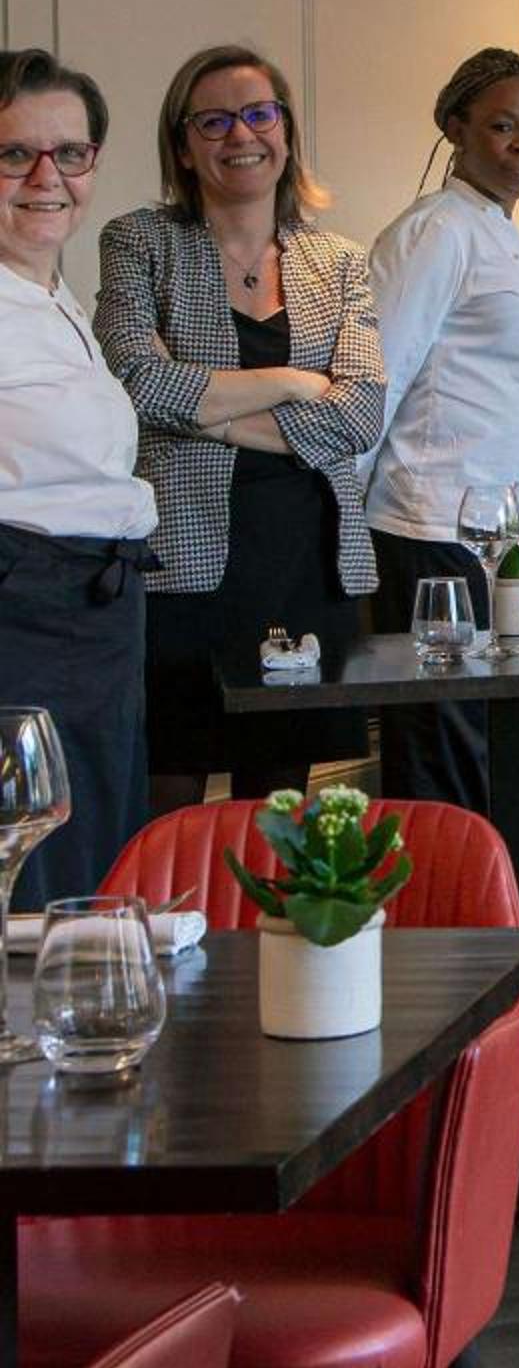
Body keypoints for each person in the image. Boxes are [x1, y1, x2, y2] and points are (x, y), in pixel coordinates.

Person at [96, 45, 381, 808]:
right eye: (214, 121)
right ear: (184, 146)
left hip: (308, 560)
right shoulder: (140, 242)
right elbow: (138, 383)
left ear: (286, 131)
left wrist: (206, 413)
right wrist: (293, 383)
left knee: (278, 804)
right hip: (180, 563)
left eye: (259, 114)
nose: (241, 135)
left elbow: (359, 414)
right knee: (167, 794)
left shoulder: (339, 261)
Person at [364, 49, 519, 814]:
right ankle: (443, 886)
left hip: (512, 531)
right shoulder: (434, 232)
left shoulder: (501, 235)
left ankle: (493, 881)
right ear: (455, 128)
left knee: (490, 732)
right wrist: (344, 523)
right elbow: (378, 377)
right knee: (444, 740)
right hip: (436, 523)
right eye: (503, 126)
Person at [0, 51, 158, 906]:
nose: (46, 177)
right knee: (35, 874)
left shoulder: (56, 295)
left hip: (93, 620)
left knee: (92, 870)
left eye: (70, 153)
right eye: (13, 154)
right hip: (23, 618)